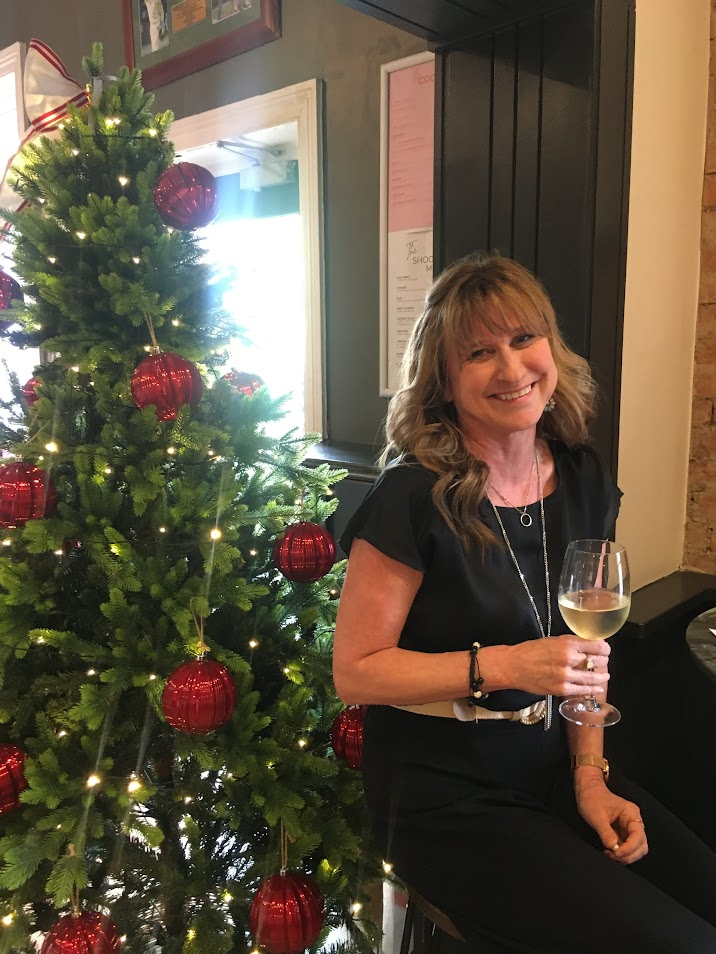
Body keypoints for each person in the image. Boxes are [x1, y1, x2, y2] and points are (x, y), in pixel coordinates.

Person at [332, 254, 716, 953]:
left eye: (523, 339)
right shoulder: (411, 496)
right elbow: (355, 671)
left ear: (551, 347)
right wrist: (506, 666)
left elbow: (589, 656)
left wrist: (590, 776)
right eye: (479, 353)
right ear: (444, 382)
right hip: (442, 795)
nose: (511, 369)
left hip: (552, 766)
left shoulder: (583, 476)